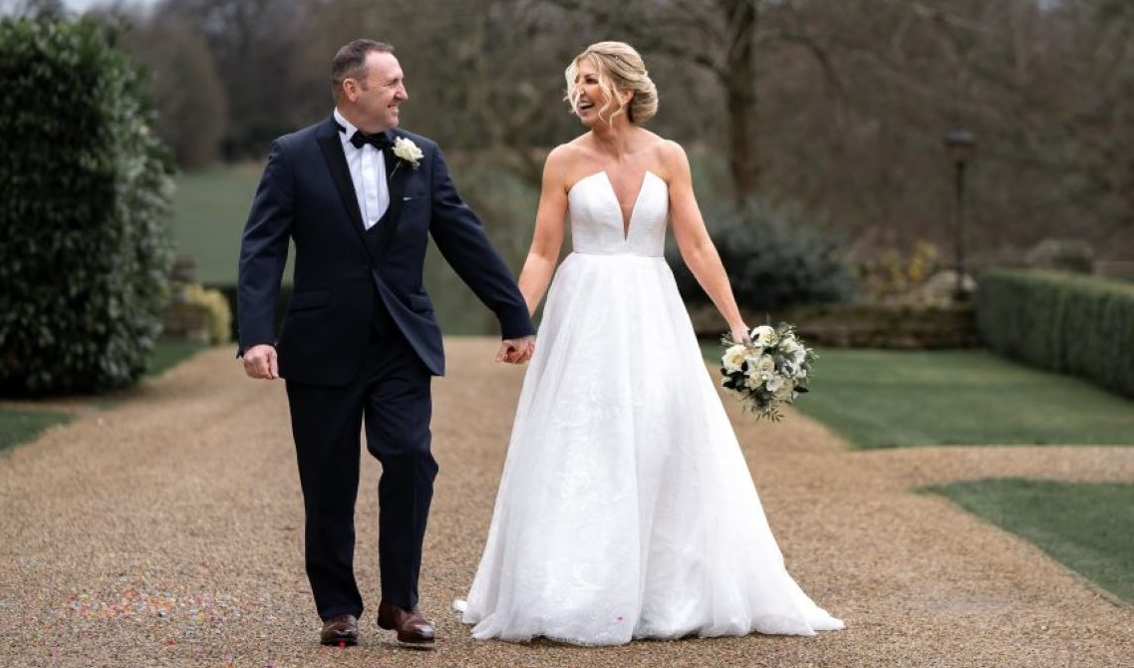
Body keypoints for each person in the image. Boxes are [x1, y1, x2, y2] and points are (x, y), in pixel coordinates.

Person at [458, 41, 844, 645]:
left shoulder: (669, 157)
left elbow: (696, 246)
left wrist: (738, 326)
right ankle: (572, 590)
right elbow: (541, 251)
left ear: (626, 89)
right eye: (575, 82)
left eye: (591, 81)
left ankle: (667, 589)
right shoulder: (562, 160)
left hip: (653, 310)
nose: (578, 93)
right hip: (584, 310)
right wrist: (517, 319)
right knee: (585, 439)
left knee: (665, 434)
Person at [237, 38, 536, 648]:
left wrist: (515, 314)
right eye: (392, 82)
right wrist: (257, 334)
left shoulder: (421, 155)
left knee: (409, 459)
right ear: (354, 89)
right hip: (322, 343)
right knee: (327, 479)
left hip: (401, 341)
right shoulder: (292, 155)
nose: (404, 93)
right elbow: (263, 247)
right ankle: (337, 609)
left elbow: (463, 237)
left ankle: (401, 603)